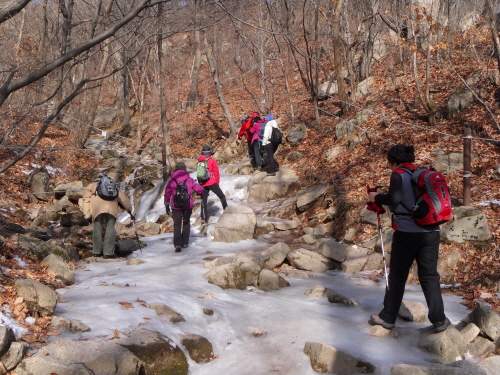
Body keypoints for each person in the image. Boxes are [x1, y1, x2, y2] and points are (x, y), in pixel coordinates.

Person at [367, 144, 450, 333]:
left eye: (389, 163)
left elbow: (394, 200)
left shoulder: (399, 174)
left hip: (408, 233)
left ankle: (387, 317)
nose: (389, 166)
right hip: (432, 231)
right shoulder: (422, 173)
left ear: (393, 161)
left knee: (397, 276)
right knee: (429, 276)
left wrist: (375, 196)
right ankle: (439, 320)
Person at [83, 175, 134, 259]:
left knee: (97, 227)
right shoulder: (112, 185)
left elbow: (86, 200)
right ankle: (108, 253)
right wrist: (129, 209)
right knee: (111, 228)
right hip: (111, 206)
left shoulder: (91, 186)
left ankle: (97, 252)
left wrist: (87, 215)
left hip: (97, 207)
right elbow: (123, 198)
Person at [164, 161, 204, 253]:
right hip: (187, 205)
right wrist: (203, 189)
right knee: (186, 223)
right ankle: (185, 243)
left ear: (176, 169)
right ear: (185, 169)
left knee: (177, 224)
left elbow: (167, 193)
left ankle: (177, 244)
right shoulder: (189, 179)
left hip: (175, 205)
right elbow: (199, 190)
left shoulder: (172, 180)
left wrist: (166, 204)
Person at [198, 145, 228, 224]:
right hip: (211, 182)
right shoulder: (212, 160)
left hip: (203, 183)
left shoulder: (200, 160)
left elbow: (199, 173)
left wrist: (200, 183)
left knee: (203, 201)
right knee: (221, 196)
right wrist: (217, 183)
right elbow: (216, 172)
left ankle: (203, 219)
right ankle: (227, 211)